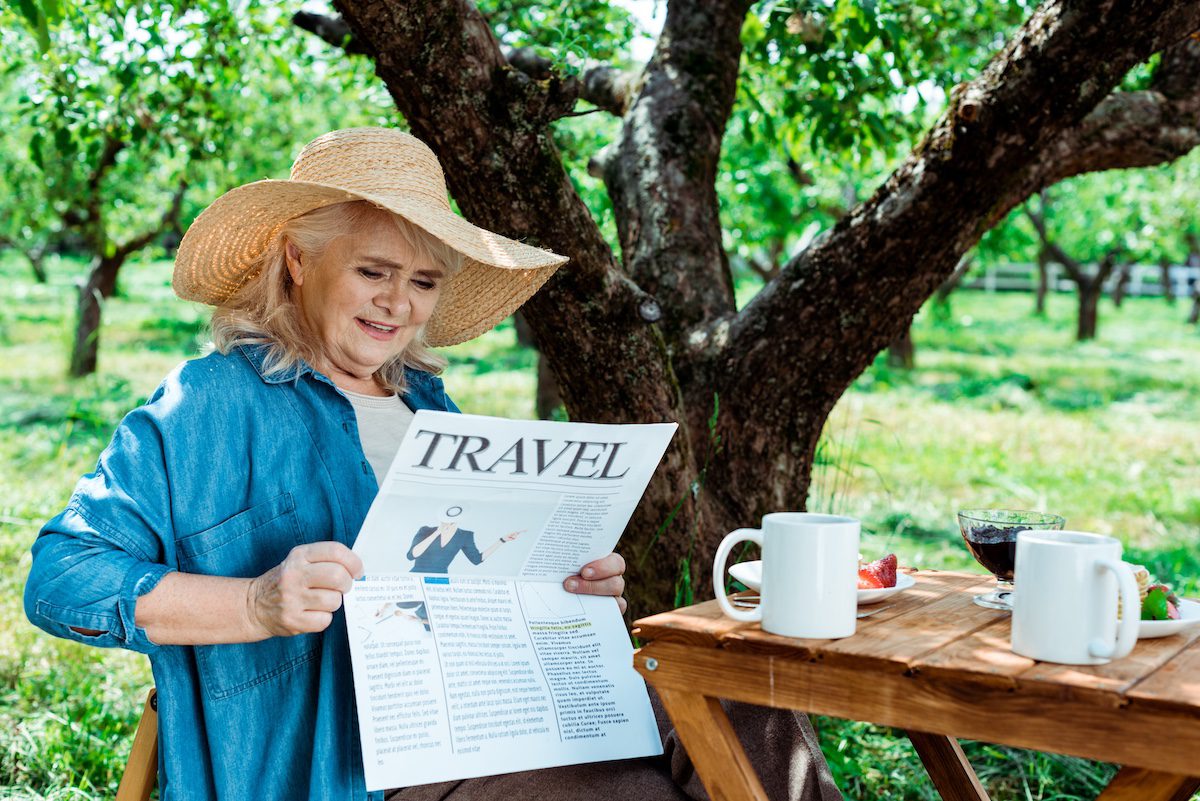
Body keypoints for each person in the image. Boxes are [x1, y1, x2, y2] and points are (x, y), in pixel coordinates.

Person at [24, 128, 841, 801]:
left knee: (749, 696)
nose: (398, 303)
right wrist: (256, 601)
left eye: (421, 281)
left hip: (496, 697)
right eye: (372, 271)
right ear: (299, 261)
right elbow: (60, 576)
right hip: (365, 754)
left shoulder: (428, 406)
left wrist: (560, 581)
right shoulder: (209, 403)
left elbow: (460, 571)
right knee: (630, 793)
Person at [407, 505, 522, 572]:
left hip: (439, 580)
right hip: (417, 576)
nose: (448, 522)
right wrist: (437, 533)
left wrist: (502, 540)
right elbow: (411, 556)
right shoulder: (426, 530)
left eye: (452, 520)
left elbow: (476, 560)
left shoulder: (465, 536)